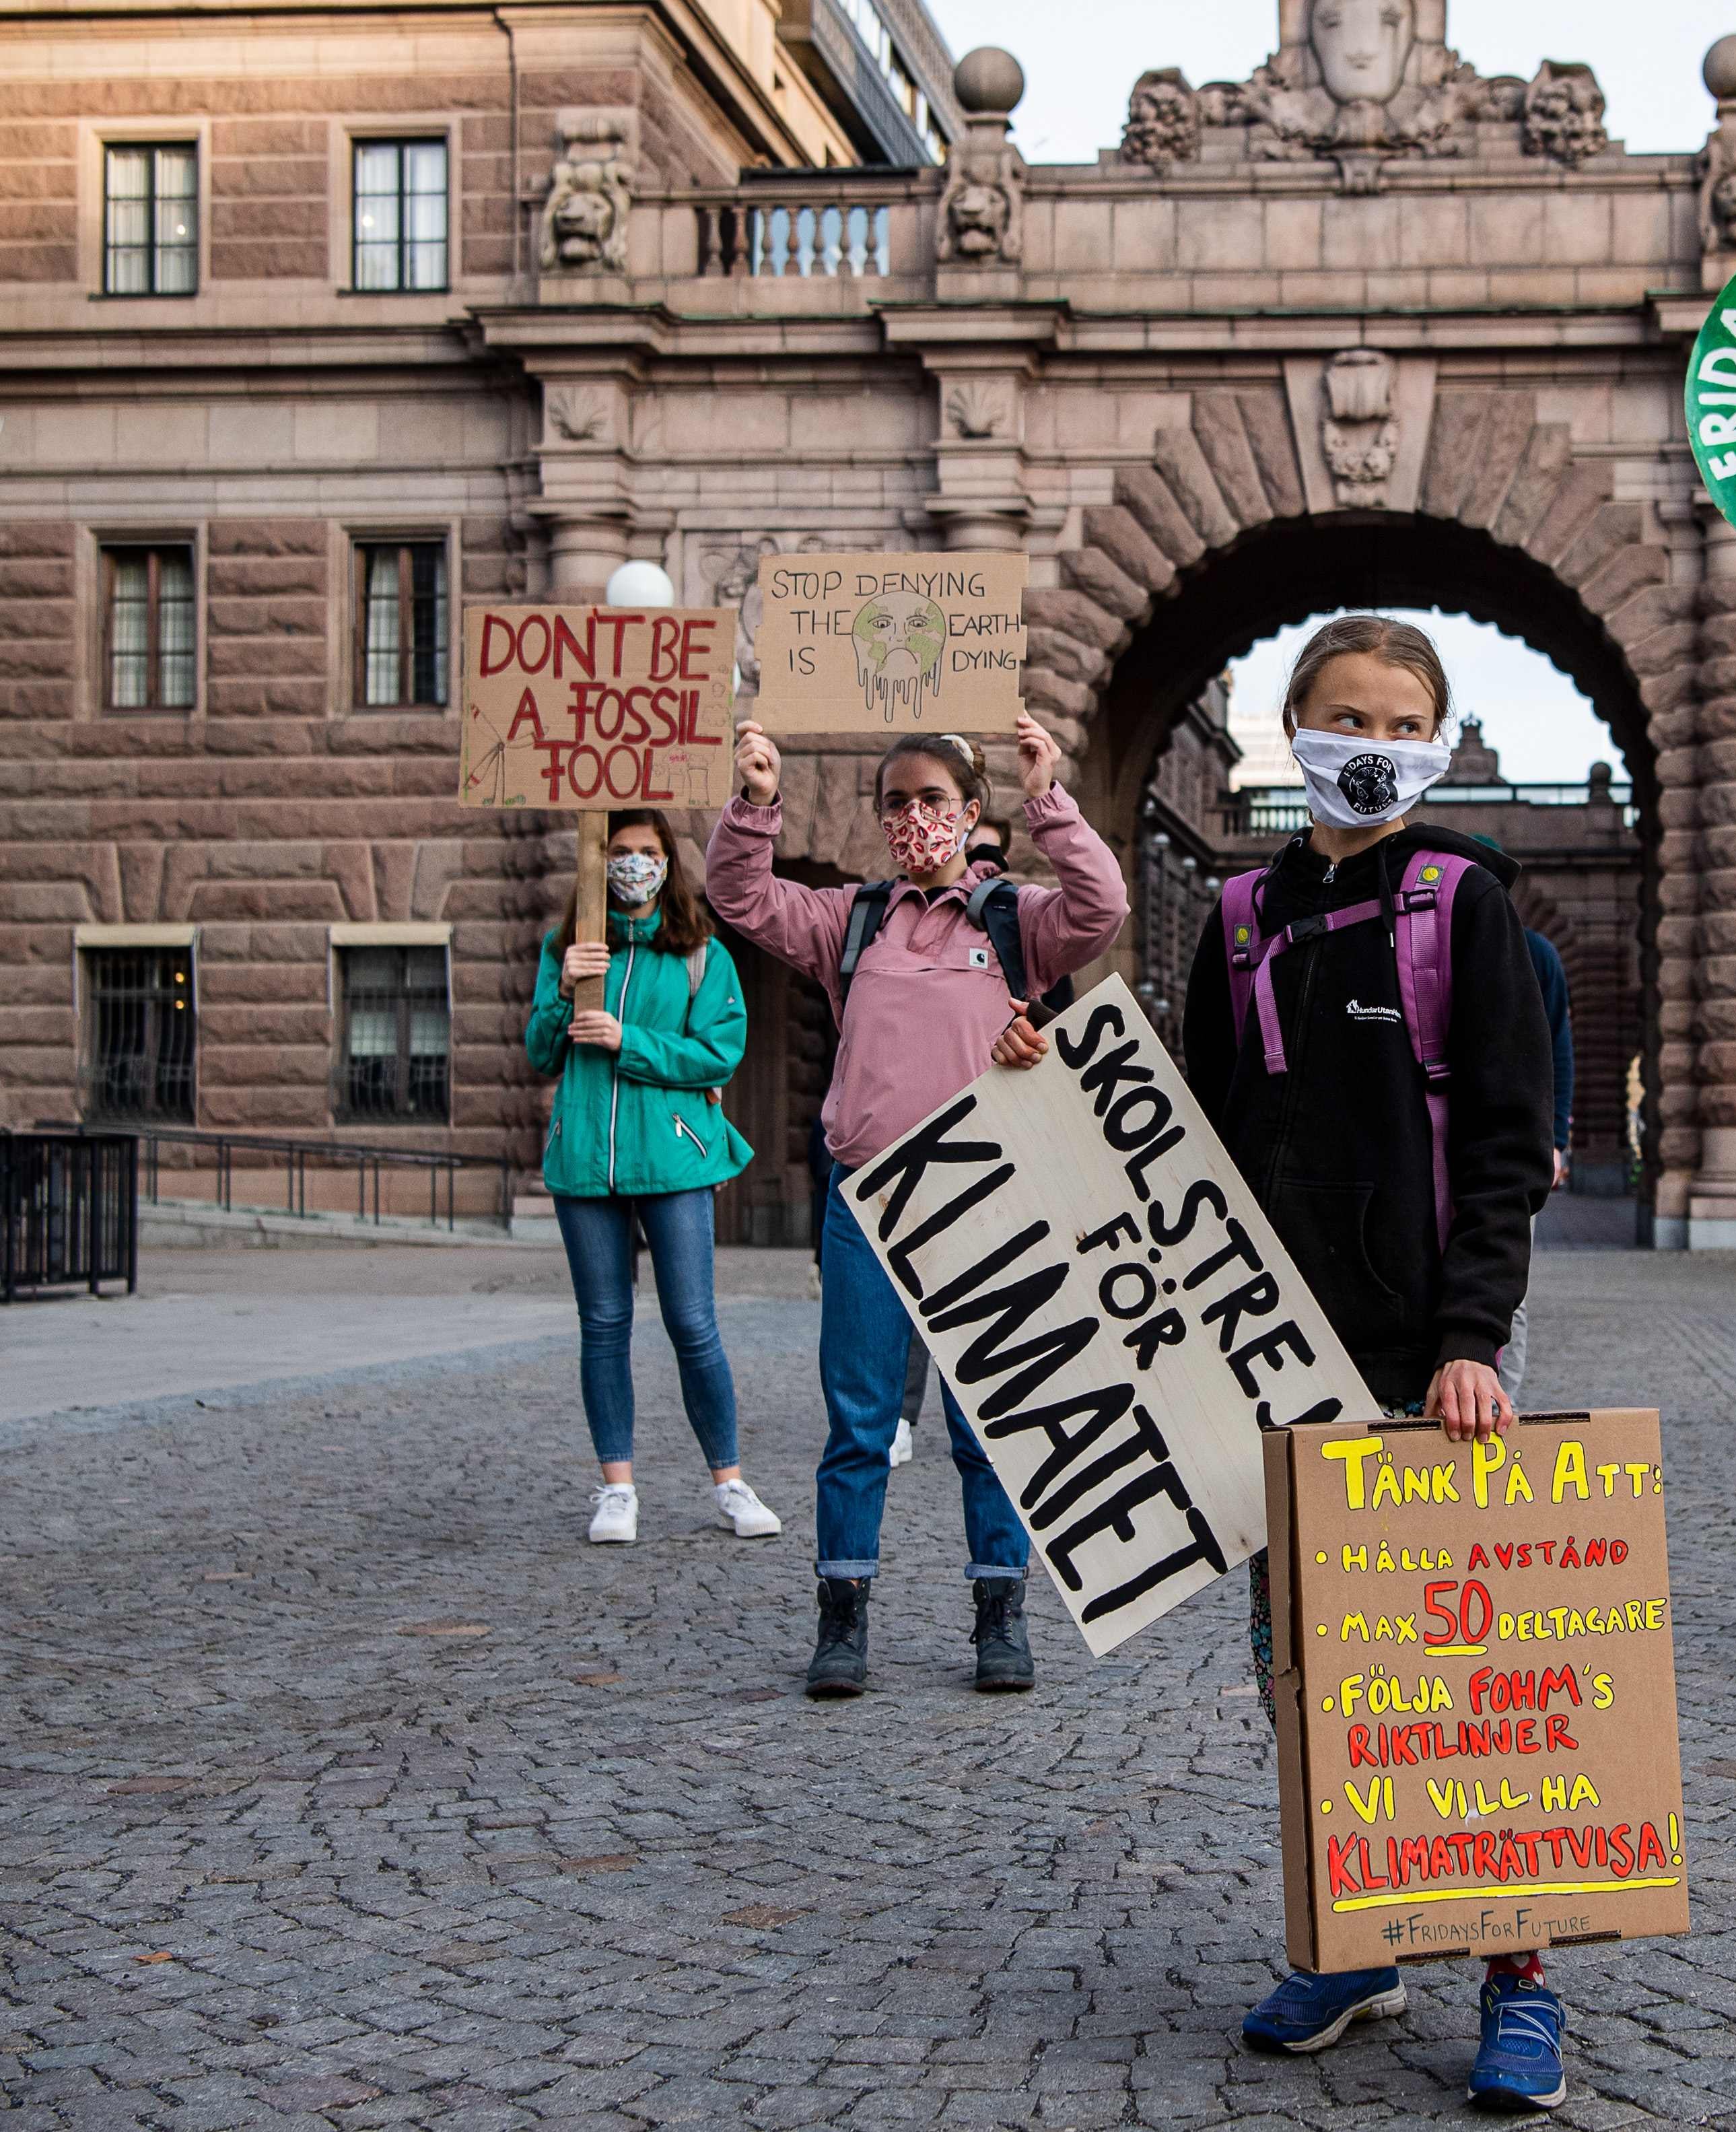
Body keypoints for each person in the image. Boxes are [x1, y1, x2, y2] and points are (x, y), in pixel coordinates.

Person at [1154, 615, 1566, 2110]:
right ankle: (1355, 1937)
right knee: (1309, 1669)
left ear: (1436, 740)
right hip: (1283, 1356)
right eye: (1340, 712)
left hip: (1430, 1353)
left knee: (1466, 1674)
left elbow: (1510, 1139)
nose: (1367, 738)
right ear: (1294, 726)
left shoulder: (1465, 906)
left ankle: (1518, 1969)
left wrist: (1472, 1338)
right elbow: (1193, 1129)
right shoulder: (1243, 918)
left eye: (1399, 716)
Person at [710, 716, 1126, 1700]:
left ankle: (1001, 1615)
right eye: (895, 801)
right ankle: (842, 1621)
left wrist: (1051, 799)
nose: (913, 817)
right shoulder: (850, 922)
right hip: (871, 1200)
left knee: (988, 1424)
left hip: (989, 1200)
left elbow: (1100, 905)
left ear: (970, 811)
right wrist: (758, 801)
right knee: (858, 1422)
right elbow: (740, 896)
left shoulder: (1013, 920)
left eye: (933, 799)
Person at [524, 811, 779, 1548]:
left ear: (670, 863)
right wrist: (563, 991)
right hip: (584, 1164)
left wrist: (628, 1040)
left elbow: (717, 1054)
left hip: (672, 1159)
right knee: (603, 1325)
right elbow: (543, 1053)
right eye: (620, 852)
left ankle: (729, 1482)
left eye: (647, 852)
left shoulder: (701, 954)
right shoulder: (566, 948)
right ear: (597, 863)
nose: (633, 864)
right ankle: (616, 1488)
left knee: (693, 1323)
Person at [1496, 921, 1574, 1408]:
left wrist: (1556, 1139)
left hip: (1514, 1145)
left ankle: (1502, 1403)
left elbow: (1558, 1049)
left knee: (1510, 1287)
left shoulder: (1535, 953)